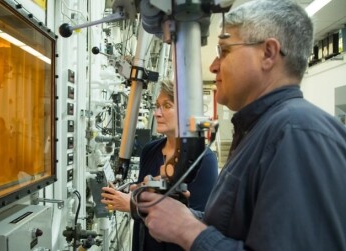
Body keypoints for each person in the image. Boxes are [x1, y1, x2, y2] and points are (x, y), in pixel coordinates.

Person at [138, 1, 346, 250]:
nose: (214, 66)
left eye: (224, 51)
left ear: (268, 53)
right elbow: (245, 232)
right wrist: (184, 216)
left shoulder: (296, 133)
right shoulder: (261, 131)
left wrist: (188, 232)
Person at [101, 79, 219, 251]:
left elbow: (200, 220)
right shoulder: (149, 151)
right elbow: (146, 192)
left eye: (167, 105)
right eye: (157, 106)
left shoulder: (204, 159)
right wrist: (129, 192)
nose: (157, 113)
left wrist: (133, 206)